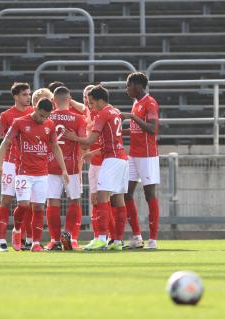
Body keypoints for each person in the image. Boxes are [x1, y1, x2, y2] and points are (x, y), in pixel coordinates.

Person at [0, 98, 69, 252]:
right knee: (23, 205)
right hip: (23, 172)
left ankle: (35, 243)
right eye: (41, 115)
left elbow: (55, 147)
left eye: (46, 116)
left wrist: (64, 169)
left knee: (38, 207)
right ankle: (17, 230)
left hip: (42, 173)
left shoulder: (50, 125)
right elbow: (5, 143)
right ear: (35, 108)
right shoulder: (19, 122)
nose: (43, 119)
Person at [65, 85, 129, 251]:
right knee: (118, 198)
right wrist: (93, 152)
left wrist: (73, 137)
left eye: (92, 102)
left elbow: (88, 140)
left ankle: (100, 237)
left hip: (111, 160)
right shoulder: (115, 112)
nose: (90, 106)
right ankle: (117, 241)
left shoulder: (102, 114)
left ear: (101, 101)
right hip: (121, 157)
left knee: (101, 196)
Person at [0, 82, 32, 252]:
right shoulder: (6, 115)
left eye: (29, 94)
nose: (28, 97)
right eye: (24, 95)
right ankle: (2, 241)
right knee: (6, 200)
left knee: (27, 203)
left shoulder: (34, 113)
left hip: (28, 165)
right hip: (11, 163)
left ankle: (26, 238)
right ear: (16, 96)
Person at [121, 72, 161, 250]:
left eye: (128, 85)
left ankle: (153, 240)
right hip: (134, 155)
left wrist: (132, 117)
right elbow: (137, 129)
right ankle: (137, 237)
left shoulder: (150, 102)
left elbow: (152, 129)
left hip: (147, 155)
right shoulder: (136, 103)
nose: (126, 89)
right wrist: (120, 132)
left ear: (137, 85)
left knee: (149, 194)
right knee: (126, 193)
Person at [45, 86, 87, 251]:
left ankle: (55, 240)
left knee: (52, 201)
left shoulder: (48, 117)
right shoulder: (79, 119)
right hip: (72, 166)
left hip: (50, 165)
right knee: (75, 200)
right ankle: (72, 238)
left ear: (53, 101)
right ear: (69, 101)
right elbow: (84, 141)